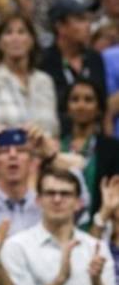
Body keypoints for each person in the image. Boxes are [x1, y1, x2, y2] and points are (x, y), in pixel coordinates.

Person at [59, 79, 119, 223]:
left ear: (99, 108)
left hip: (102, 224)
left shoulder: (113, 149)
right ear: (67, 107)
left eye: (88, 100)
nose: (81, 105)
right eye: (75, 100)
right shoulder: (57, 147)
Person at [40, 0, 107, 125]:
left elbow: (103, 105)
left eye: (89, 19)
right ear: (60, 26)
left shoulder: (94, 59)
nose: (88, 25)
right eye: (80, 20)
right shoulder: (44, 62)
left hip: (92, 133)